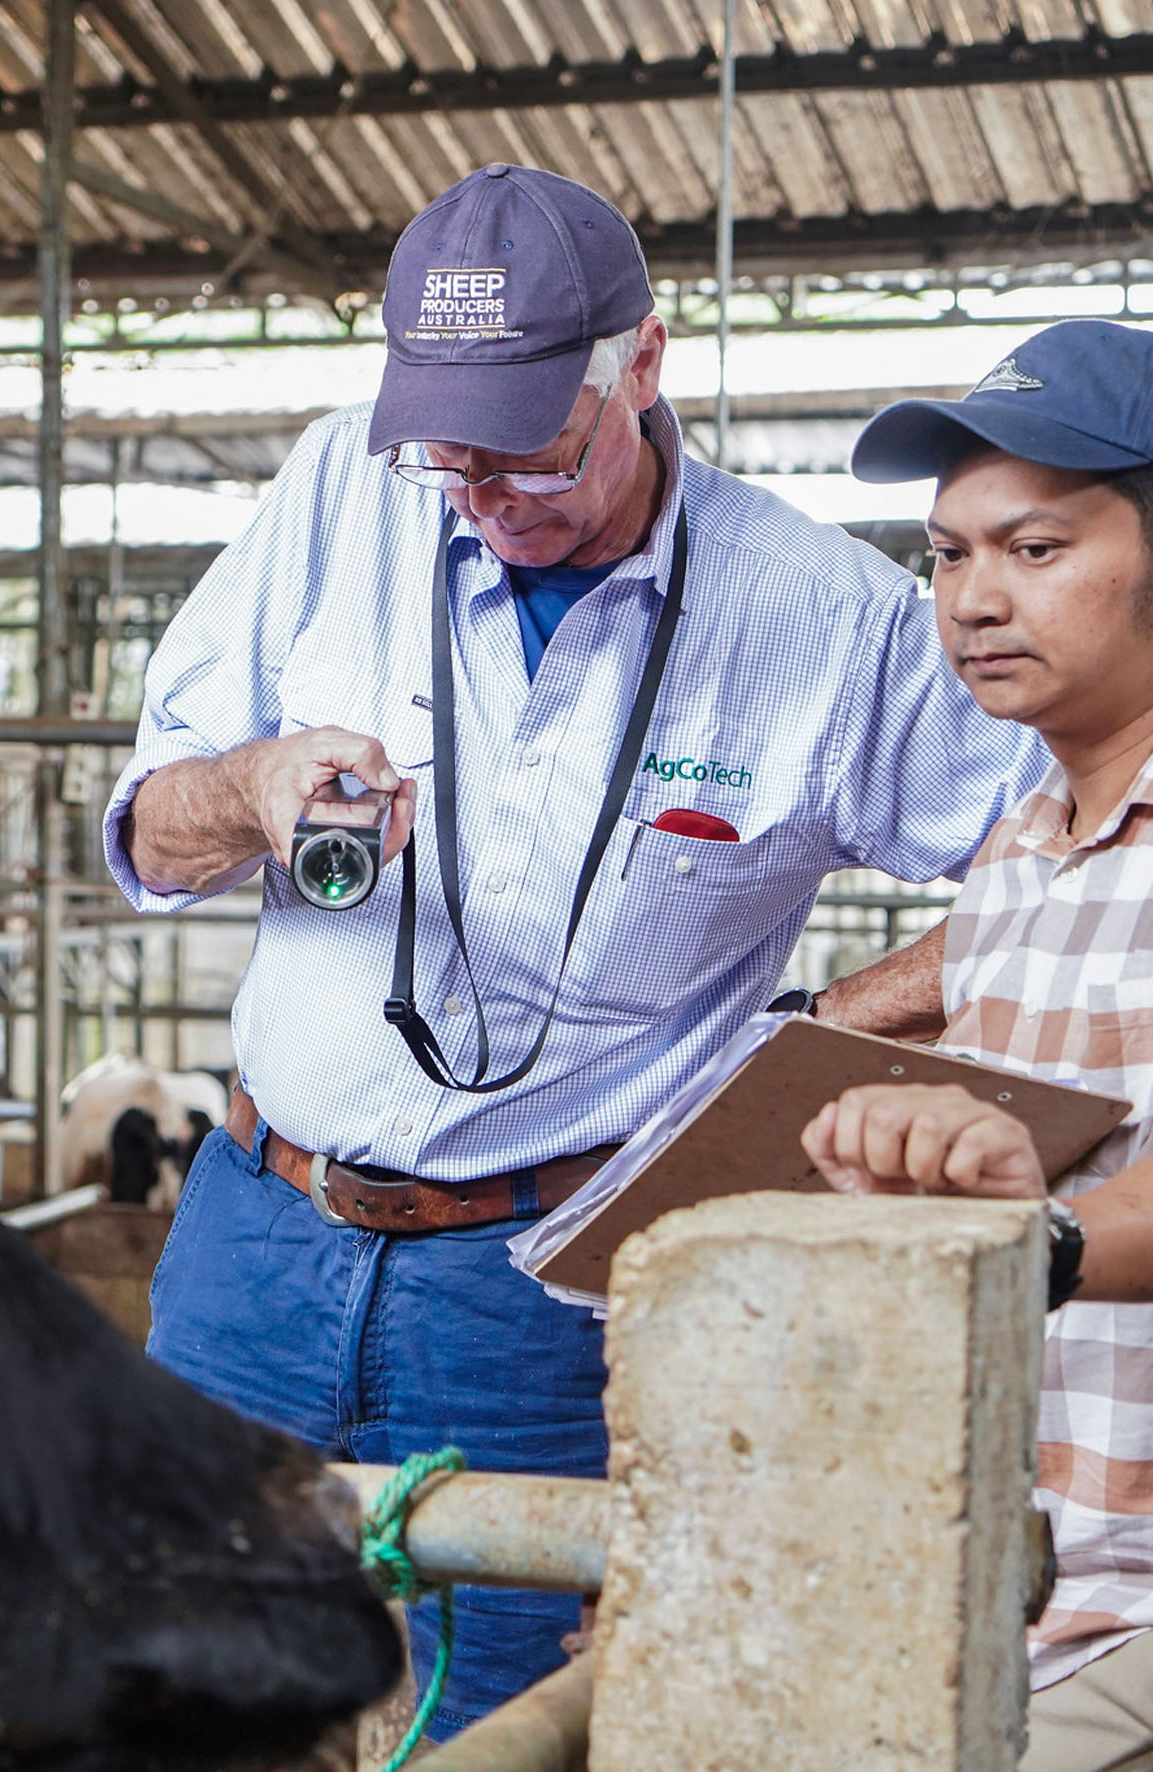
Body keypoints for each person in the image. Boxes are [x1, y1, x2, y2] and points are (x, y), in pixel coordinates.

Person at [103, 163, 1044, 1736]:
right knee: (171, 1683)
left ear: (645, 365)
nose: (476, 485)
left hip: (554, 1287)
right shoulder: (344, 487)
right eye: (447, 447)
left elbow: (1066, 853)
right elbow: (144, 834)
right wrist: (251, 790)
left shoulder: (822, 614)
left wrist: (824, 1028)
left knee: (528, 1717)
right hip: (256, 1241)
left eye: (528, 446)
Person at [801, 318, 1153, 1772]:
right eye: (949, 556)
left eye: (1036, 549)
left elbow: (1024, 1219)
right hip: (1008, 1577)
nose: (974, 600)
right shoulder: (1015, 857)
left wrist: (1036, 1233)